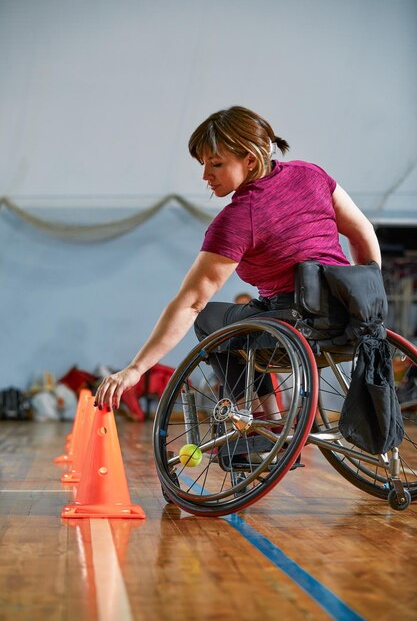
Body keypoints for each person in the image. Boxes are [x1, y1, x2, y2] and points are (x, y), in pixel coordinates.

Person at [94, 105, 381, 419]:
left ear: (251, 159)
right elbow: (362, 231)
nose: (205, 175)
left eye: (216, 164)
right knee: (249, 315)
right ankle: (271, 419)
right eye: (203, 164)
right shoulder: (312, 174)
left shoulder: (238, 218)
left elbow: (191, 303)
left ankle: (264, 419)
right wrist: (367, 299)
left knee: (208, 319)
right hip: (350, 319)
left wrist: (136, 369)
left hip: (295, 326)